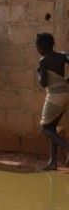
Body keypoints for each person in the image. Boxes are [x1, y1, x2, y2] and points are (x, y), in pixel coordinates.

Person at [35, 32, 69, 170]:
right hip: (66, 94)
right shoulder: (62, 55)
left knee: (45, 128)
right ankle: (52, 162)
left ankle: (67, 148)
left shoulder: (43, 61)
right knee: (52, 128)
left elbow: (43, 83)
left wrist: (38, 73)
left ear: (40, 48)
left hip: (54, 96)